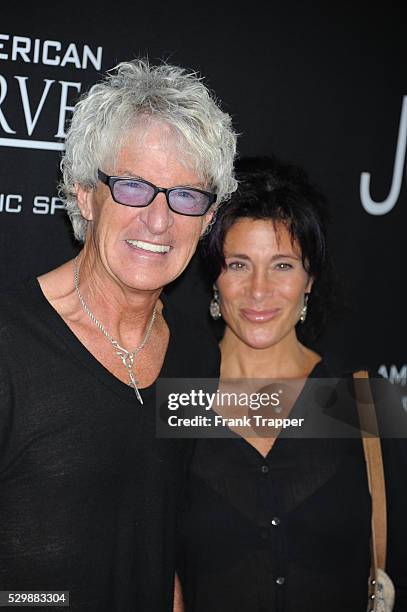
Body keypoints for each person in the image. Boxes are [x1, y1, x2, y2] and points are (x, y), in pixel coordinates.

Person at [0, 58, 237, 611]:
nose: (158, 221)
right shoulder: (9, 348)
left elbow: (156, 536)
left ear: (206, 220)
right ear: (85, 194)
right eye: (133, 186)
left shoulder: (196, 352)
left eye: (185, 196)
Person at [176, 156, 407, 611]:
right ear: (214, 278)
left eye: (282, 266)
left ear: (309, 279)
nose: (259, 291)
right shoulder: (174, 402)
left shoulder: (363, 402)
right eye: (238, 264)